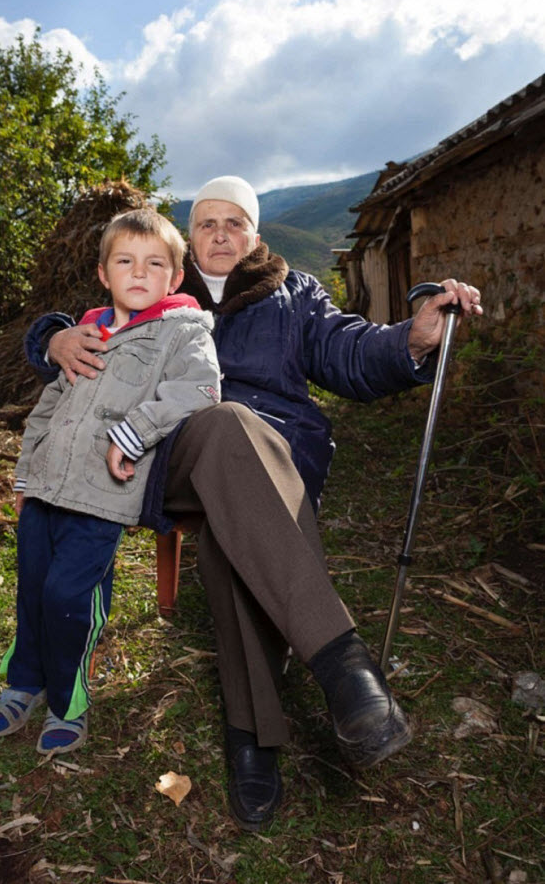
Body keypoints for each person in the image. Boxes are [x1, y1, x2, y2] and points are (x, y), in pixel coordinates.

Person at [24, 176, 483, 824]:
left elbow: (350, 349)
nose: (219, 233)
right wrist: (52, 338)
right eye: (206, 222)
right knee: (226, 421)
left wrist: (412, 336)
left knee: (236, 543)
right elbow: (85, 323)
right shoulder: (163, 292)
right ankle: (345, 667)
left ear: (255, 237)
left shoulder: (293, 296)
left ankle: (254, 734)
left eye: (234, 222)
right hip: (174, 459)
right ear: (189, 239)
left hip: (277, 461)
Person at [0, 208, 221, 755]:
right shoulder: (87, 335)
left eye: (154, 263)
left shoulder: (182, 332)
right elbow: (46, 410)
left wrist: (133, 435)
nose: (139, 273)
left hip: (101, 495)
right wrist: (24, 476)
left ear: (175, 278)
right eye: (125, 262)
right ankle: (25, 682)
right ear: (103, 273)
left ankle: (70, 701)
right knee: (34, 587)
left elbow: (201, 390)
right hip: (44, 489)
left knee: (71, 595)